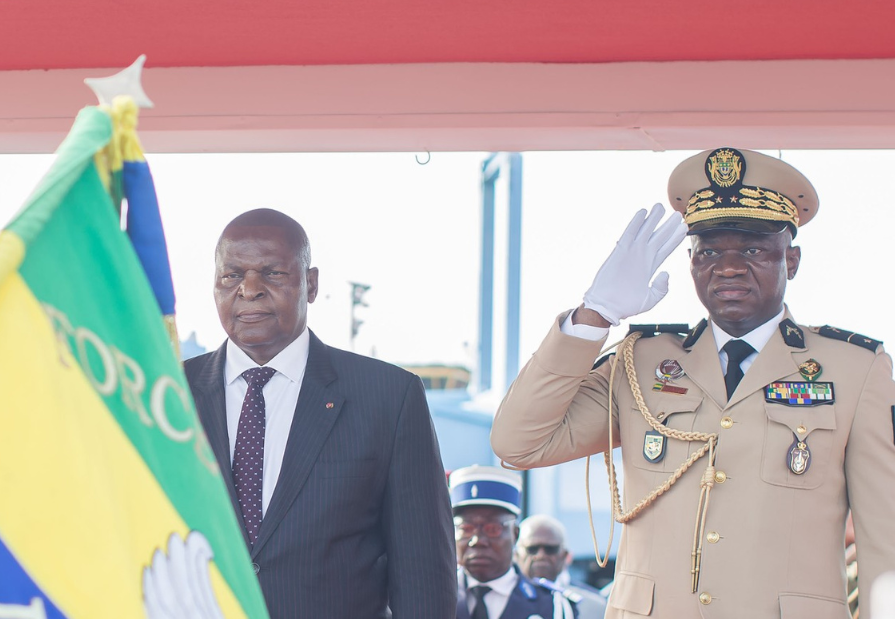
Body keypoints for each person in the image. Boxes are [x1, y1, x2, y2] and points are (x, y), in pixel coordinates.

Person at [490, 147, 895, 618]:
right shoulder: (641, 361)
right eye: (709, 251)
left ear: (792, 260)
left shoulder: (854, 370)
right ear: (691, 261)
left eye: (754, 249)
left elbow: (891, 545)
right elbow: (518, 444)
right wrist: (596, 315)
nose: (729, 267)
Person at [183, 208, 455, 619]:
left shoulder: (388, 397)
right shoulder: (168, 394)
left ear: (310, 284)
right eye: (232, 275)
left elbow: (423, 573)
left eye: (272, 273)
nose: (249, 289)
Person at [451, 466, 576, 619]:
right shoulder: (434, 596)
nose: (477, 541)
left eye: (492, 529)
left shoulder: (554, 606)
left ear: (515, 534)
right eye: (466, 528)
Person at [515, 515, 607, 619]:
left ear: (565, 555)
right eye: (532, 548)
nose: (541, 555)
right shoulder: (501, 597)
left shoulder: (593, 605)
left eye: (550, 549)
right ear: (516, 555)